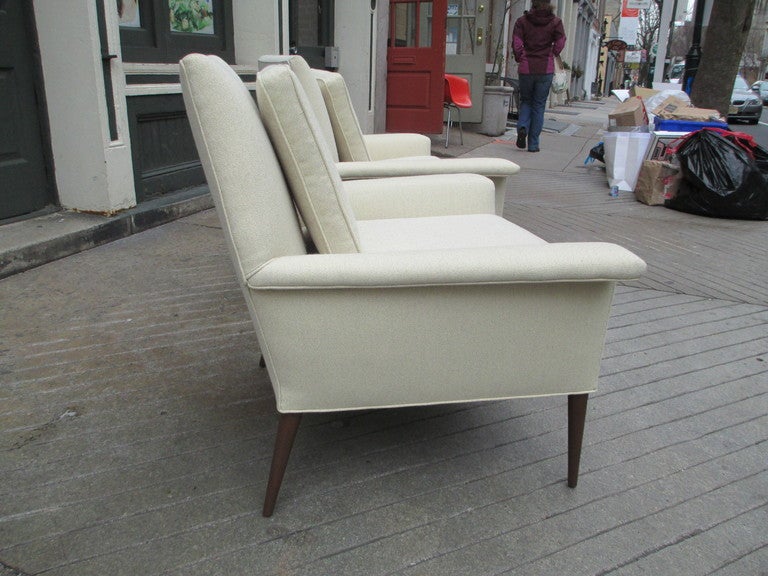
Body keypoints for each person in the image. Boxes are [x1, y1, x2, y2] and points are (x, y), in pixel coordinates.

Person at [511, 1, 566, 152]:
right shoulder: (555, 22)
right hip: (545, 68)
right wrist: (552, 53)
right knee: (539, 105)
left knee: (526, 101)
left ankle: (522, 127)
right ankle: (533, 144)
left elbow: (517, 43)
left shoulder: (522, 21)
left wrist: (521, 56)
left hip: (526, 68)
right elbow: (561, 42)